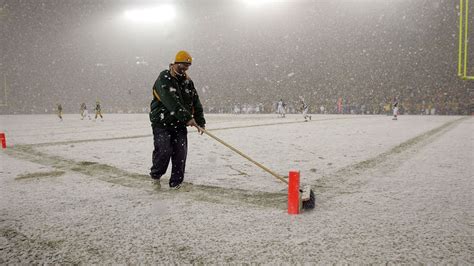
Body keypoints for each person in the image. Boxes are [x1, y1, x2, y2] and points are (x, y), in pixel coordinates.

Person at [149, 50, 206, 189]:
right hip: (162, 123)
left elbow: (195, 102)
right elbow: (170, 101)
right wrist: (187, 117)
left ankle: (176, 183)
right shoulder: (164, 77)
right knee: (164, 151)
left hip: (179, 124)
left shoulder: (188, 82)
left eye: (188, 66)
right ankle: (156, 175)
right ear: (175, 63)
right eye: (183, 65)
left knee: (180, 154)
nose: (185, 68)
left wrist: (200, 121)